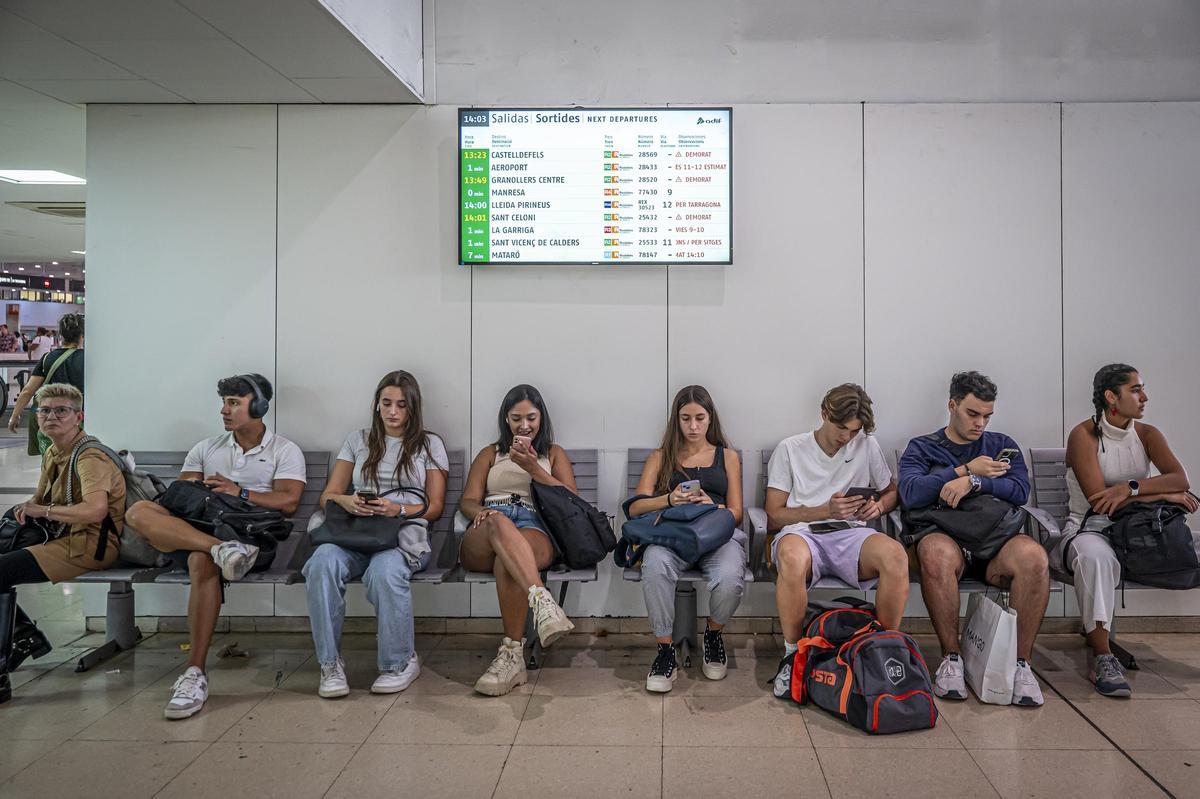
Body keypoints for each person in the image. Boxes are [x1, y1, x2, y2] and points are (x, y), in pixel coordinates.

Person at [125, 374, 306, 719]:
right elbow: (180, 500)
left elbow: (289, 502)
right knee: (138, 511)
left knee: (199, 561)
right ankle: (219, 550)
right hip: (205, 533)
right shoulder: (206, 447)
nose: (225, 410)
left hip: (254, 540)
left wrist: (239, 492)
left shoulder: (284, 450)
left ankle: (195, 671)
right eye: (224, 402)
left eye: (234, 403)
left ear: (259, 406)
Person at [899, 371, 1049, 707]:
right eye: (972, 414)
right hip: (945, 537)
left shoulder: (1002, 446)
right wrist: (963, 471)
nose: (980, 423)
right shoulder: (923, 447)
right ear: (952, 406)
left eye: (987, 416)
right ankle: (951, 659)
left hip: (995, 541)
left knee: (1034, 557)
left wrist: (976, 484)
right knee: (935, 552)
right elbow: (909, 493)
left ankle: (1020, 666)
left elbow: (1020, 490)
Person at [303, 371, 449, 698]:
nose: (393, 412)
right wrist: (348, 501)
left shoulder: (429, 444)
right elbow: (328, 496)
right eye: (386, 403)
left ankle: (399, 662)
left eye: (401, 405)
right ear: (376, 405)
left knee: (385, 571)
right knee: (321, 563)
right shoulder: (358, 440)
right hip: (356, 534)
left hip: (402, 535)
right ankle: (329, 664)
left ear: (413, 408)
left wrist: (396, 510)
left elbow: (435, 507)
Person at [1058, 364, 1196, 698]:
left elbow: (1182, 480)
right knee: (1094, 558)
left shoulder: (1147, 434)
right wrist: (1164, 493)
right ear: (1111, 396)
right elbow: (1099, 503)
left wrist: (1130, 488)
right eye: (1135, 390)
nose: (1144, 397)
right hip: (1091, 529)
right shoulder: (1084, 436)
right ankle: (1103, 656)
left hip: (1140, 530)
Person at [765, 383, 909, 698]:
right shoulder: (790, 448)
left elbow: (891, 492)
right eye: (841, 428)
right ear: (824, 413)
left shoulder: (867, 446)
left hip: (852, 533)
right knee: (790, 557)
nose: (846, 437)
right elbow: (774, 515)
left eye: (854, 431)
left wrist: (880, 506)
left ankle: (879, 652)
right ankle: (793, 656)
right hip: (802, 532)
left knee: (896, 556)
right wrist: (823, 510)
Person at [0, 384, 125, 704]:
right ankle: (23, 636)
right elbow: (40, 499)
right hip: (63, 538)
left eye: (61, 411)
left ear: (78, 417)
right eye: (44, 411)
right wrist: (28, 509)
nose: (51, 417)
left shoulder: (89, 456)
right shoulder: (54, 451)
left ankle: (9, 659)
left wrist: (41, 510)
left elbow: (96, 510)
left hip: (90, 544)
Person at [459, 384, 578, 696]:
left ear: (541, 418)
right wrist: (484, 511)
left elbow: (570, 501)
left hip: (534, 525)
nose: (524, 425)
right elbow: (468, 501)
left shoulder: (553, 454)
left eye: (531, 418)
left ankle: (512, 658)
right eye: (516, 419)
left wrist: (533, 468)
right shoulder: (490, 453)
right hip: (488, 526)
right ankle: (543, 602)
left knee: (507, 560)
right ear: (506, 420)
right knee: (500, 526)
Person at [626, 385, 745, 693]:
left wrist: (712, 505)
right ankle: (665, 651)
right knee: (653, 565)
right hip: (673, 536)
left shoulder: (727, 456)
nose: (693, 426)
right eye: (686, 418)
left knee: (731, 577)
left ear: (710, 419)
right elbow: (636, 507)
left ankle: (714, 635)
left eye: (700, 418)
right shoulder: (661, 457)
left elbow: (736, 512)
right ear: (676, 420)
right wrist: (669, 500)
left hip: (716, 535)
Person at [8, 313, 85, 454]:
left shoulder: (47, 358)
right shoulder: (87, 359)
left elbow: (27, 391)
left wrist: (15, 415)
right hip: (78, 423)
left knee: (50, 464)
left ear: (61, 335)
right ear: (82, 336)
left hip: (51, 422)